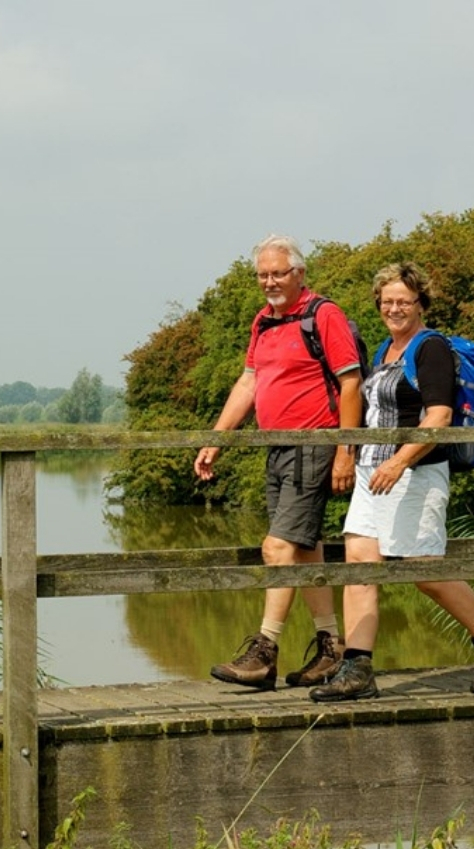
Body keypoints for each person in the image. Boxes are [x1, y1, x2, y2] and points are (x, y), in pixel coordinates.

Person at [310, 262, 474, 702]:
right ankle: (357, 668)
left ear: (421, 303)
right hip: (372, 472)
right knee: (360, 567)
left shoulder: (431, 348)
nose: (394, 309)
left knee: (425, 572)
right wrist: (357, 457)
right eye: (387, 301)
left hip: (416, 473)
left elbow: (439, 416)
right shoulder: (385, 349)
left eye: (404, 301)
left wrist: (399, 462)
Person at [194, 234, 362, 691]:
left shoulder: (323, 315)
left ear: (299, 274)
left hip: (314, 444)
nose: (269, 282)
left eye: (278, 273)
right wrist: (217, 439)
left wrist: (345, 450)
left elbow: (351, 383)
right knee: (304, 548)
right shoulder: (264, 321)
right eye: (262, 275)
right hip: (277, 448)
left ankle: (264, 653)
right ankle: (331, 647)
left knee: (277, 547)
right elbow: (249, 383)